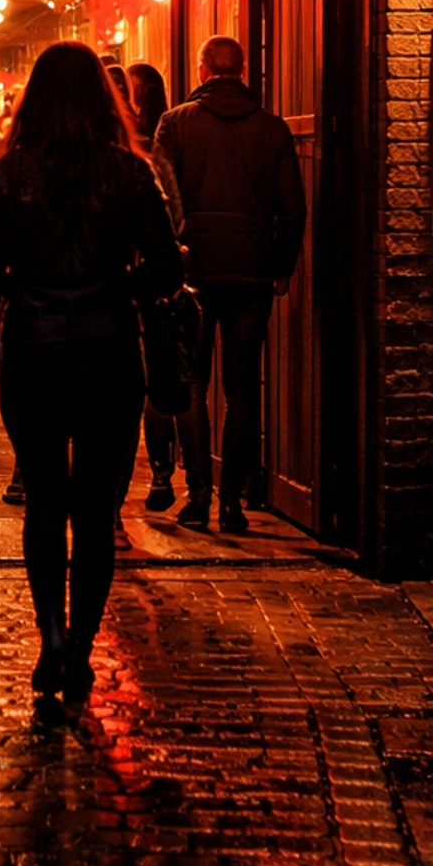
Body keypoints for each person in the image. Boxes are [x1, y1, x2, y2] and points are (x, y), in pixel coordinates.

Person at [0, 42, 184, 709]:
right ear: (102, 98)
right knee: (95, 512)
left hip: (33, 351)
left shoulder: (7, 176)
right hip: (109, 350)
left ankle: (52, 636)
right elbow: (168, 269)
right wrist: (120, 282)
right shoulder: (128, 172)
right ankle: (83, 645)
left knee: (44, 505)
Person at [152, 34, 306, 535]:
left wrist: (165, 264)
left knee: (193, 383)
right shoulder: (273, 130)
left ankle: (198, 496)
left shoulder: (174, 125)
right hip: (252, 272)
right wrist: (280, 265)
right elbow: (294, 208)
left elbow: (162, 203)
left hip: (192, 273)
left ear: (201, 71)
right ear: (242, 70)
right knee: (242, 390)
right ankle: (234, 503)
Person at [124, 62, 180, 513]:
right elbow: (172, 220)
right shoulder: (142, 157)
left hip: (42, 321)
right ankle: (164, 473)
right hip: (124, 306)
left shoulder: (23, 162)